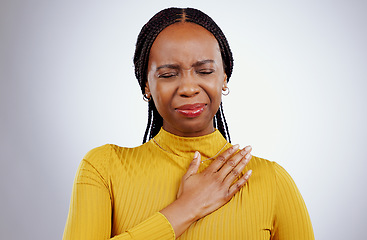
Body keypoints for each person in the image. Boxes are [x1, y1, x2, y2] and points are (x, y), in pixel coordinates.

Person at [63, 7, 314, 240]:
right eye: (168, 75)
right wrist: (186, 208)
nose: (189, 88)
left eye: (204, 71)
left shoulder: (272, 181)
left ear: (224, 77)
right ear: (147, 86)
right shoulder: (103, 169)